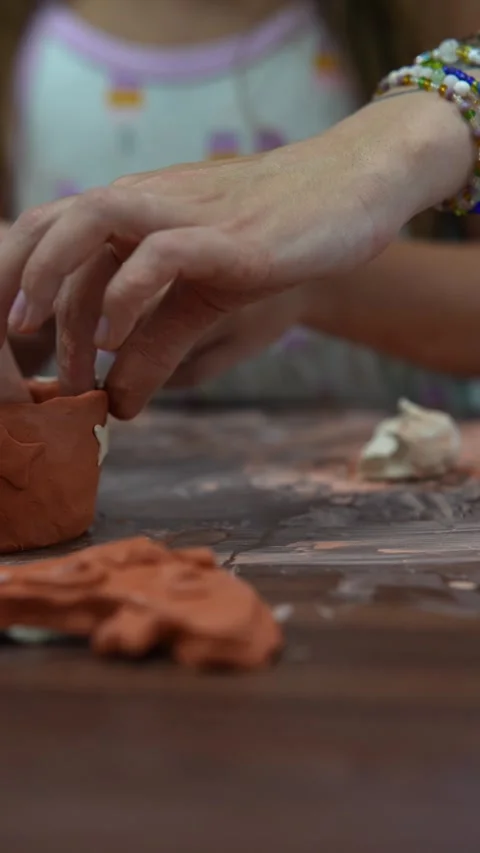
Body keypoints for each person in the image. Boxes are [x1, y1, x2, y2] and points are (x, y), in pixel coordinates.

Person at [0, 0, 479, 417]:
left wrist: (305, 284)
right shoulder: (21, 33)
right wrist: (31, 311)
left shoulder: (419, 18)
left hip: (406, 482)